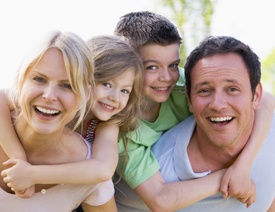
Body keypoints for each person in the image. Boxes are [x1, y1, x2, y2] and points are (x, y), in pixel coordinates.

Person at [113, 11, 275, 211]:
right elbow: (160, 199)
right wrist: (226, 176)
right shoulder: (120, 124)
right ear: (126, 66)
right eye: (152, 67)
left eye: (173, 65)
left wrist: (242, 166)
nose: (166, 77)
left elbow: (266, 99)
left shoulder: (180, 83)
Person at [0, 35, 144, 199]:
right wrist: (18, 157)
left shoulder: (108, 124)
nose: (114, 97)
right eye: (107, 84)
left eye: (125, 90)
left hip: (70, 194)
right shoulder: (47, 99)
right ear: (83, 80)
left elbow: (103, 169)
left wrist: (32, 174)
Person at [151, 35, 275, 211]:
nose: (217, 104)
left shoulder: (271, 132)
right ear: (189, 100)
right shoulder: (158, 172)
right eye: (204, 90)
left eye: (232, 89)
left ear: (256, 96)